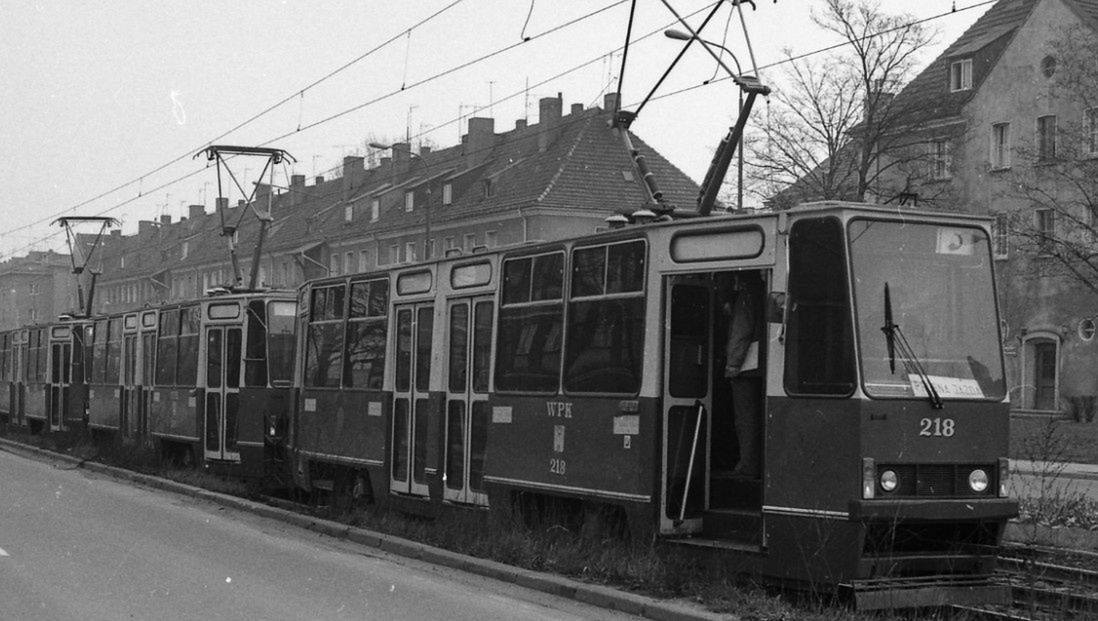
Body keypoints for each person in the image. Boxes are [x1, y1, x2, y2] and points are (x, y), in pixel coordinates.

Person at [724, 272, 764, 478]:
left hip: (746, 367)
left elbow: (742, 331)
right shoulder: (762, 291)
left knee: (745, 418)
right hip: (759, 366)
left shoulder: (747, 295)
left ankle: (747, 464)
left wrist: (732, 364)